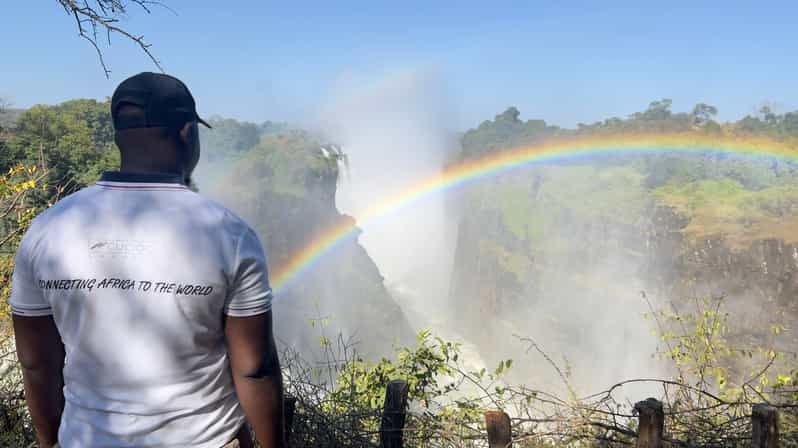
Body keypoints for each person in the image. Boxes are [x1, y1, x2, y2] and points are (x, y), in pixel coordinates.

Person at [10, 72, 284, 448]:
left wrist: (50, 442)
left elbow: (36, 363)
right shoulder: (229, 234)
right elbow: (254, 369)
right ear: (187, 132)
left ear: (118, 134)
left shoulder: (46, 231)